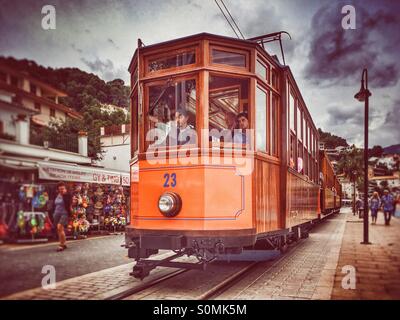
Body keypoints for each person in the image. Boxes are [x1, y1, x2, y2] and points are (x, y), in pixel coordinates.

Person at [52, 182, 72, 252]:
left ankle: (61, 245)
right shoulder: (56, 195)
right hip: (56, 213)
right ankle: (64, 243)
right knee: (59, 229)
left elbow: (69, 205)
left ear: (65, 189)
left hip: (64, 213)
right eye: (60, 189)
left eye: (62, 189)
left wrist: (71, 215)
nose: (61, 190)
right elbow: (54, 204)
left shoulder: (68, 195)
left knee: (59, 226)